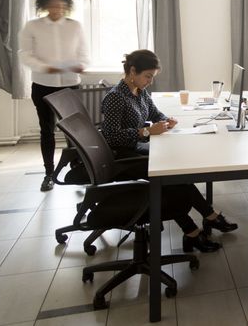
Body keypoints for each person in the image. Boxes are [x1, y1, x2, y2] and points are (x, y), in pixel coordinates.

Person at [100, 49, 237, 252]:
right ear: (132, 71)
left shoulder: (138, 91)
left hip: (138, 148)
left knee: (177, 174)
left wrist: (166, 120)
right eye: (147, 76)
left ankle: (200, 225)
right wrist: (146, 131)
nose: (149, 81)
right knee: (175, 179)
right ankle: (201, 224)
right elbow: (110, 136)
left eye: (152, 77)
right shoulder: (115, 97)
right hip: (125, 158)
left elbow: (154, 112)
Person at [19, 0, 90, 192]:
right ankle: (49, 173)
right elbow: (25, 54)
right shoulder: (33, 26)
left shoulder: (75, 26)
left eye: (61, 5)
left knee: (74, 130)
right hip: (43, 85)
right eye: (52, 5)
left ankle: (78, 169)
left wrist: (80, 65)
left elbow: (84, 54)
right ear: (44, 6)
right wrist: (45, 67)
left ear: (67, 6)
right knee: (47, 130)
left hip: (70, 84)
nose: (57, 9)